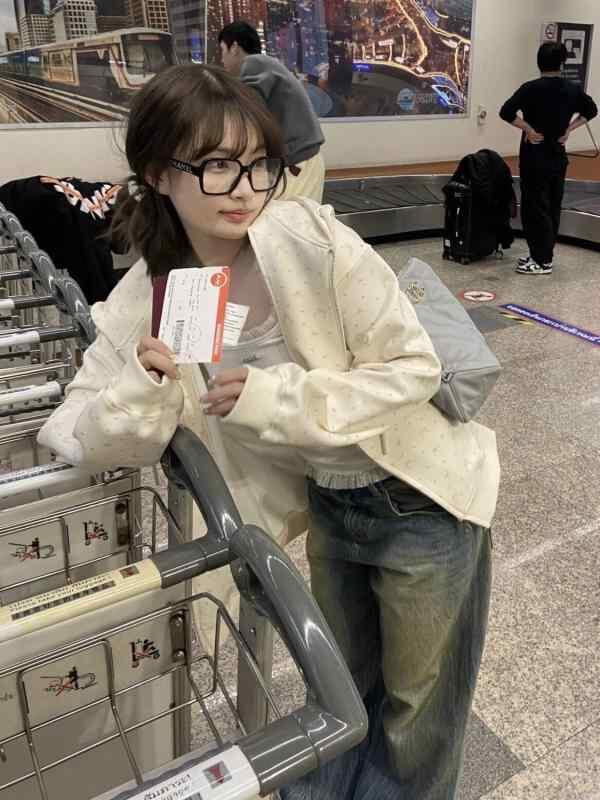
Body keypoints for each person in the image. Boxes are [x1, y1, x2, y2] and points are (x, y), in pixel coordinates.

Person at [38, 64, 499, 800]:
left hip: (421, 493)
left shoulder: (311, 238)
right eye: (217, 165)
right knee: (342, 690)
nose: (246, 189)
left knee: (418, 713)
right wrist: (145, 388)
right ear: (158, 173)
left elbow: (413, 368)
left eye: (259, 164)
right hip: (329, 504)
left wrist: (276, 397)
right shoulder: (153, 291)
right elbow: (73, 430)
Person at [500, 42, 598, 275]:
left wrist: (528, 129)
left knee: (535, 207)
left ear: (539, 62)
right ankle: (542, 253)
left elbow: (506, 112)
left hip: (534, 156)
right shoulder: (572, 89)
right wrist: (569, 129)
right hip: (557, 156)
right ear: (561, 63)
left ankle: (542, 260)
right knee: (552, 205)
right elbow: (591, 110)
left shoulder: (530, 88)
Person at [218, 21, 326, 202]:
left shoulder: (254, 62)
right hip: (304, 159)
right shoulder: (268, 64)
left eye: (222, 50)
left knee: (274, 216)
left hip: (297, 162)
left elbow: (245, 112)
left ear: (234, 47)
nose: (222, 59)